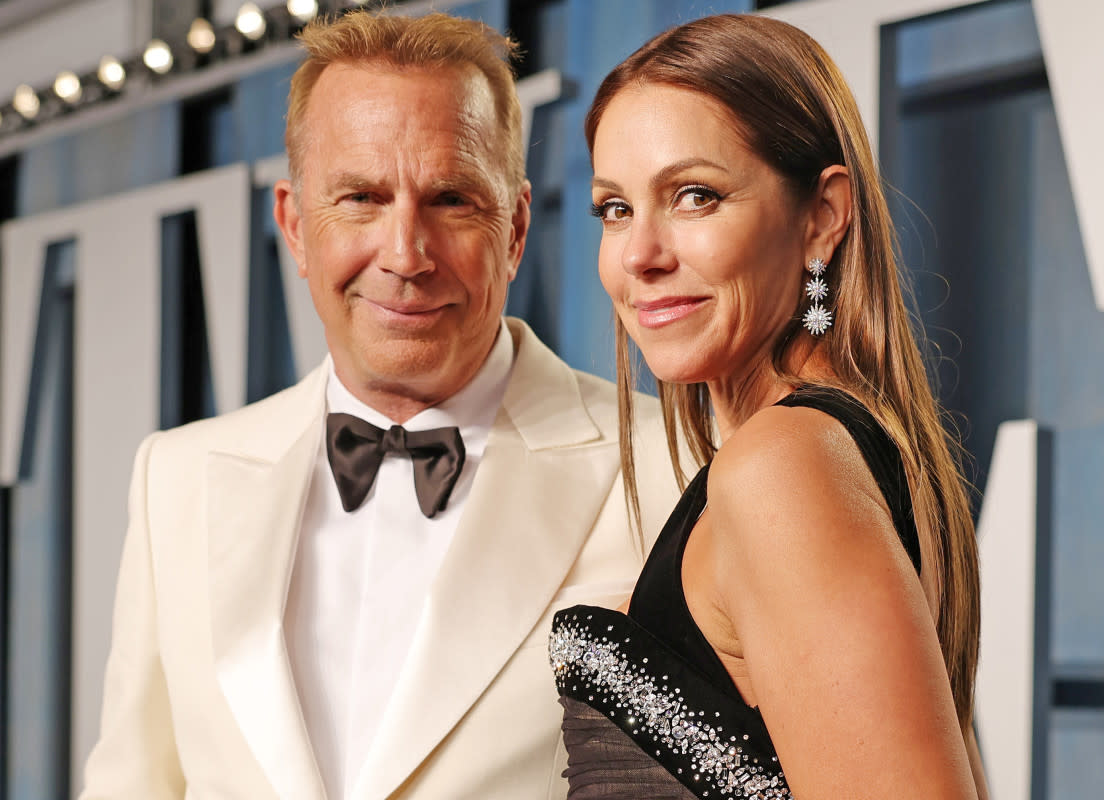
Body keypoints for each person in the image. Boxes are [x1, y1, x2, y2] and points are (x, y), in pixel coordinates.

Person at [80, 10, 681, 800]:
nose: (404, 256)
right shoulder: (176, 478)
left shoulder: (672, 466)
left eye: (452, 200)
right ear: (295, 226)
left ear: (516, 227)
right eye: (361, 198)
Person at [549, 13, 989, 799]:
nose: (640, 256)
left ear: (822, 217)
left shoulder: (785, 468)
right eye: (614, 209)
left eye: (694, 196)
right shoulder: (824, 454)